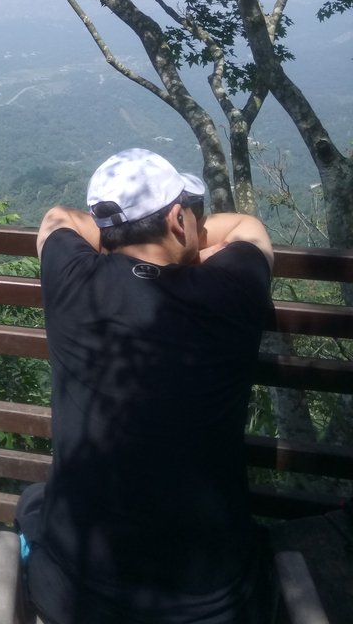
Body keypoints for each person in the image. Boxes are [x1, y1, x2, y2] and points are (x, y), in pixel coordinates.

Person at [16, 148, 276, 624]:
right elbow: (249, 229)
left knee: (35, 501)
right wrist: (197, 248)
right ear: (180, 219)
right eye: (189, 212)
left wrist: (115, 236)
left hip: (72, 599)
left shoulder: (72, 280)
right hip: (216, 604)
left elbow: (58, 218)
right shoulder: (231, 290)